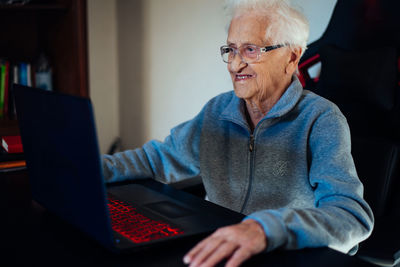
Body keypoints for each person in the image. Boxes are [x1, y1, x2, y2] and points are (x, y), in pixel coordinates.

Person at [102, 0, 374, 266]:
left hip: (283, 253)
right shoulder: (217, 111)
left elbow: (351, 216)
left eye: (251, 50)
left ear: (292, 57)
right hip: (221, 247)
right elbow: (156, 159)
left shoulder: (321, 119)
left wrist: (263, 229)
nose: (234, 65)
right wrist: (88, 168)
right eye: (231, 50)